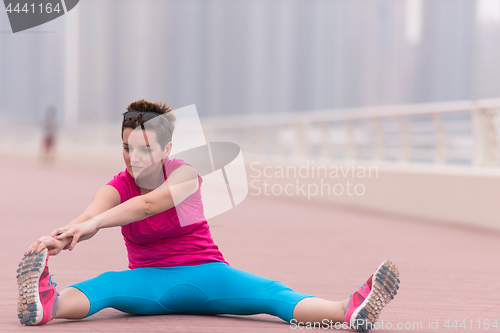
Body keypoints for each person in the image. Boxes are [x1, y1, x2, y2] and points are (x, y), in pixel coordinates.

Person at [17, 100, 400, 332]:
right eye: (127, 147)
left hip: (211, 275)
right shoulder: (118, 184)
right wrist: (63, 236)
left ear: (167, 148)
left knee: (275, 296)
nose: (133, 158)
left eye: (145, 149)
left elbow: (151, 205)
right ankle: (47, 304)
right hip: (150, 284)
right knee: (104, 287)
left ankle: (349, 311)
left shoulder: (184, 173)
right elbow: (90, 215)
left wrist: (94, 223)